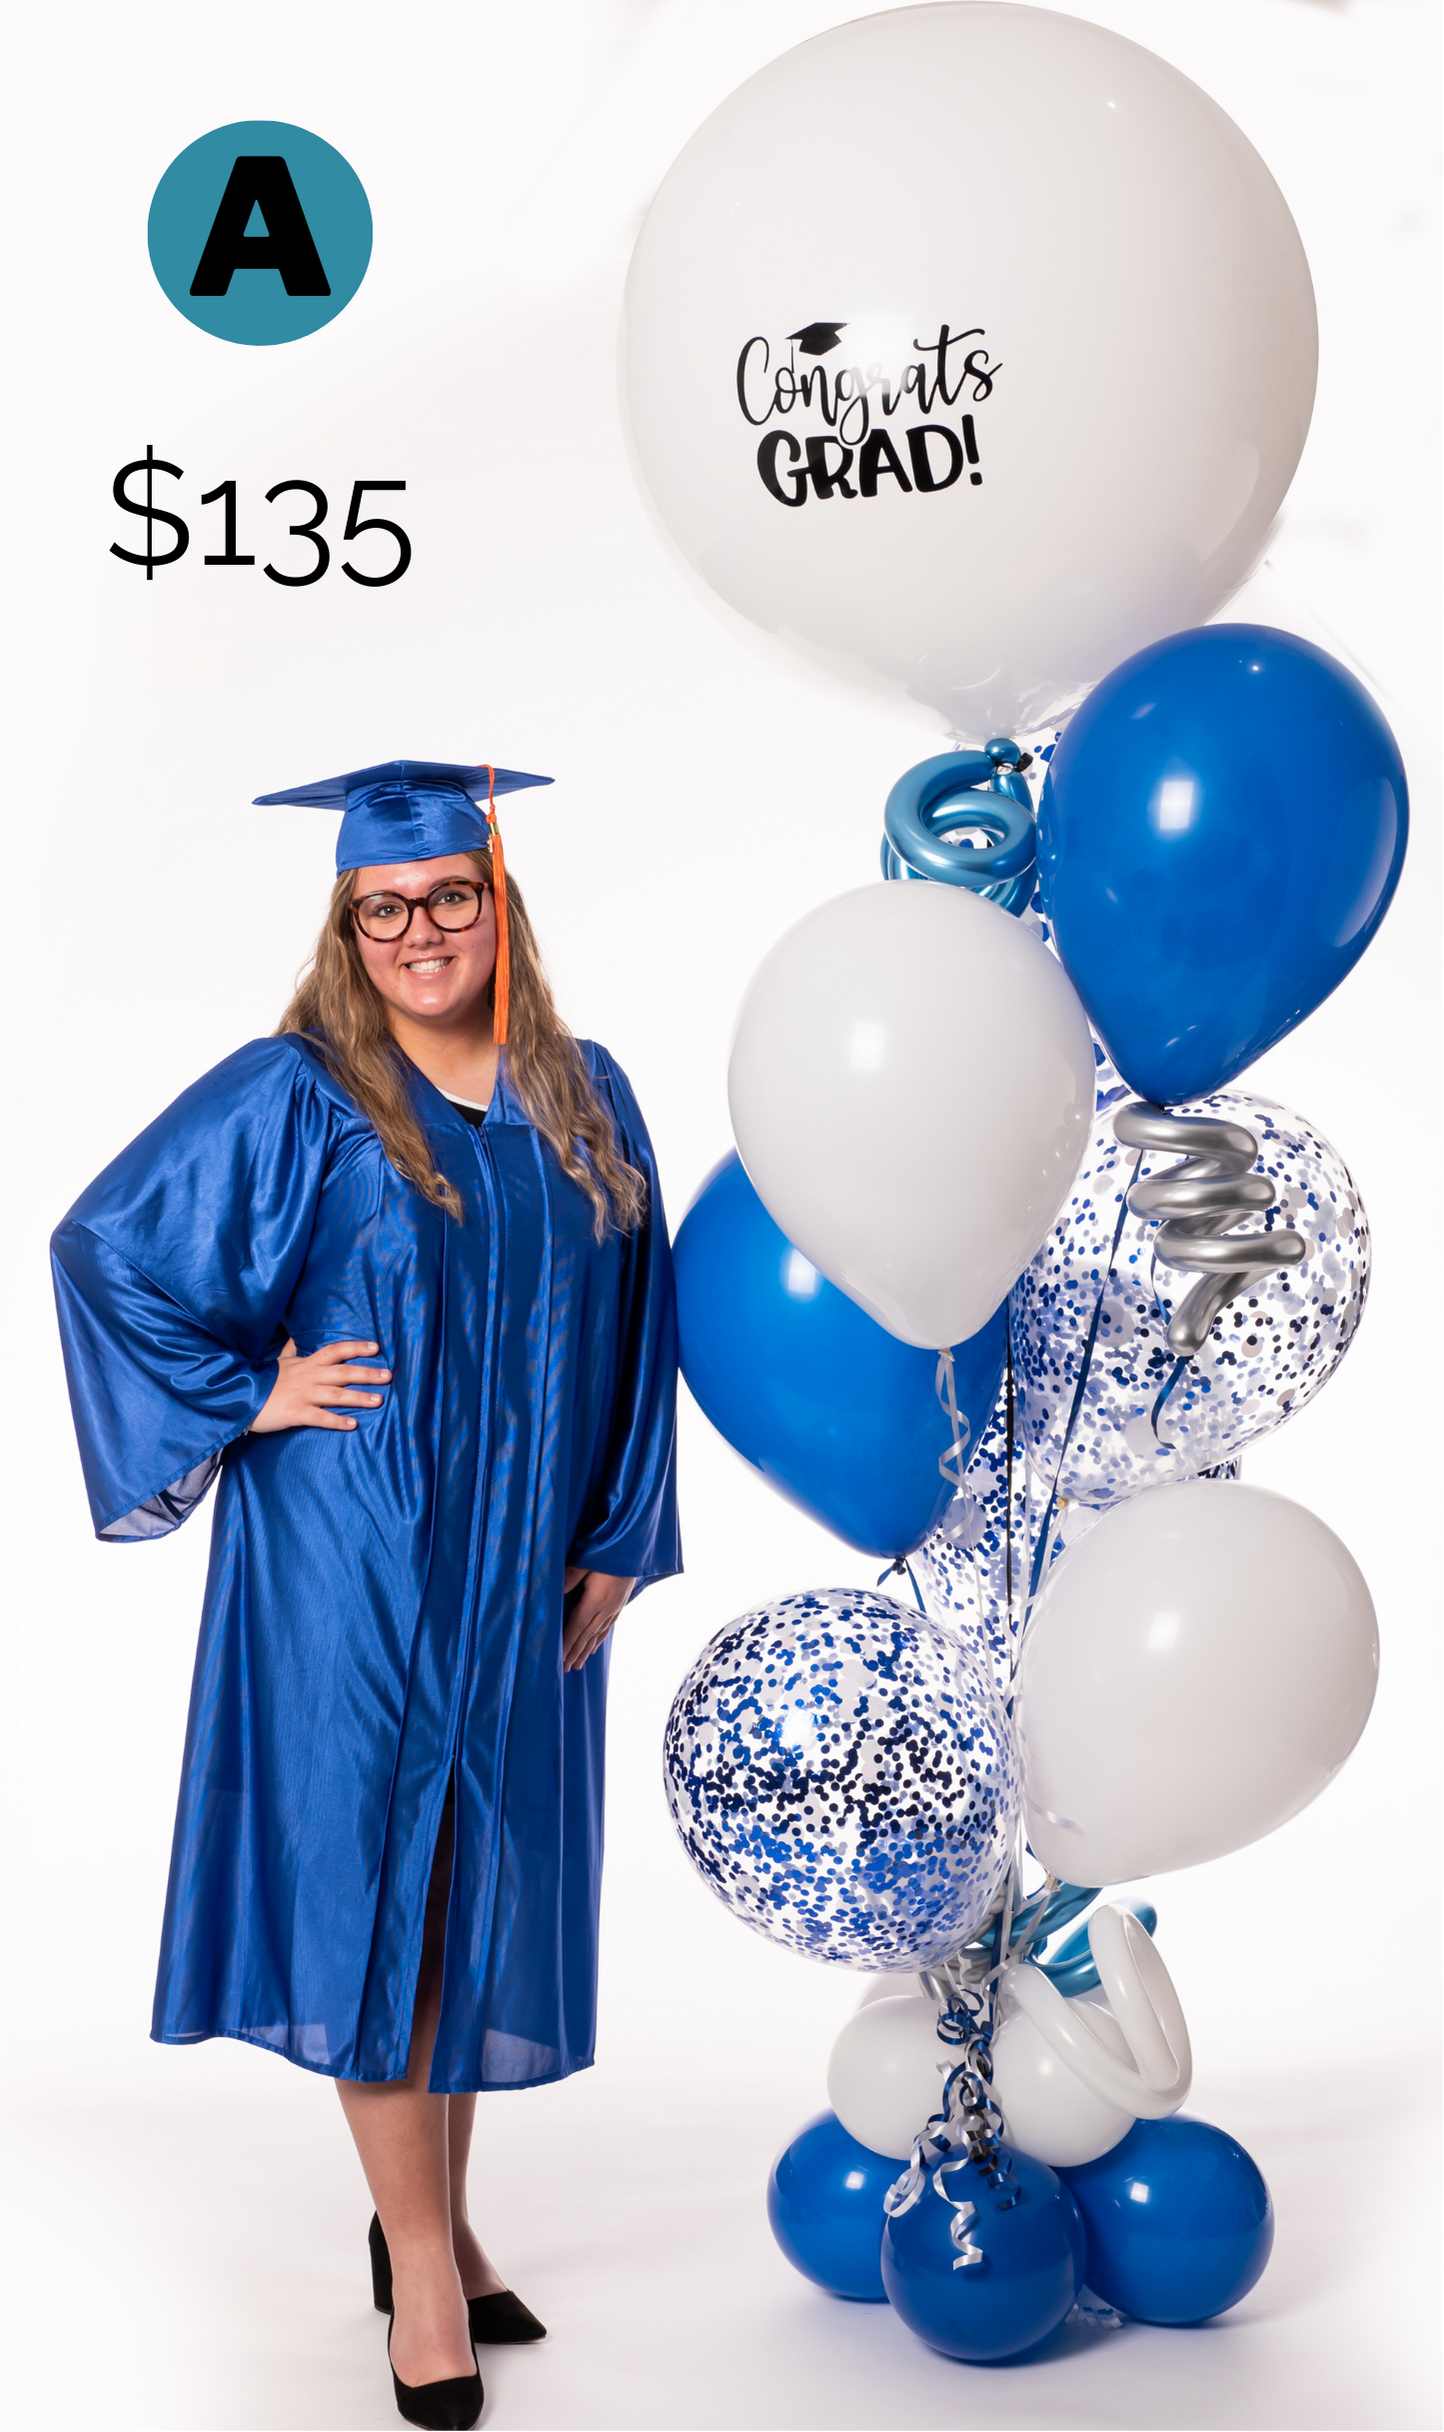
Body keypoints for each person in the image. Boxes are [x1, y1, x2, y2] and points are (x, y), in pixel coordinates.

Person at [51, 758, 681, 2432]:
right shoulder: (302, 1094)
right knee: (378, 1897)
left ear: (500, 900)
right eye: (382, 907)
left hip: (526, 1574)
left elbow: (645, 1324)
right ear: (349, 919)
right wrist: (246, 1396)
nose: (418, 931)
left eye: (447, 897)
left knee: (478, 1892)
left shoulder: (585, 1092)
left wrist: (620, 1530)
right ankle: (417, 2273)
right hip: (353, 1563)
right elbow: (104, 1247)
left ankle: (443, 2228)